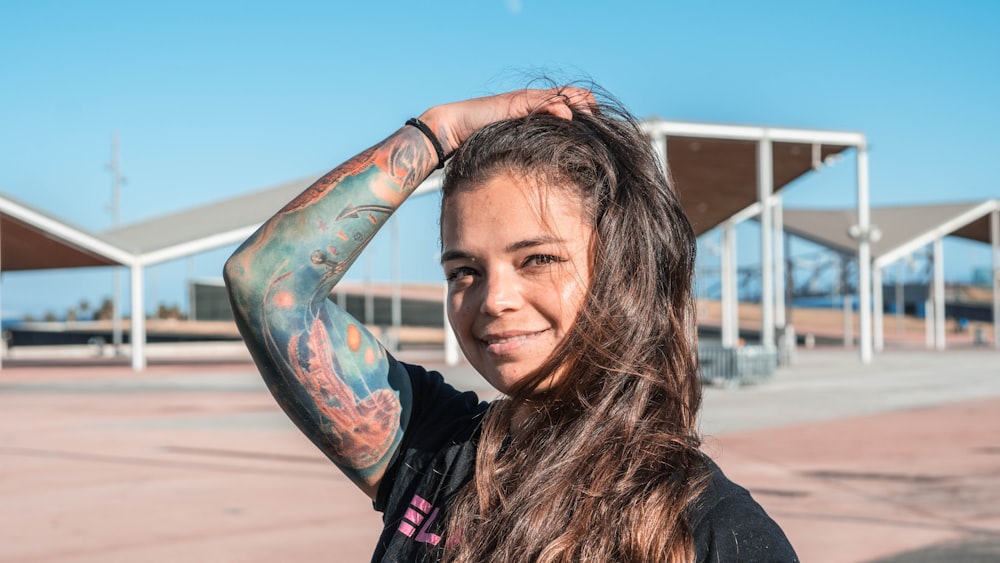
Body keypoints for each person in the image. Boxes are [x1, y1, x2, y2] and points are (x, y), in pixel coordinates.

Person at [224, 85, 798, 562]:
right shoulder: (431, 448)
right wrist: (435, 132)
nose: (494, 299)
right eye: (465, 270)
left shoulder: (720, 532)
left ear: (624, 271)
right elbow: (265, 284)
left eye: (538, 260)